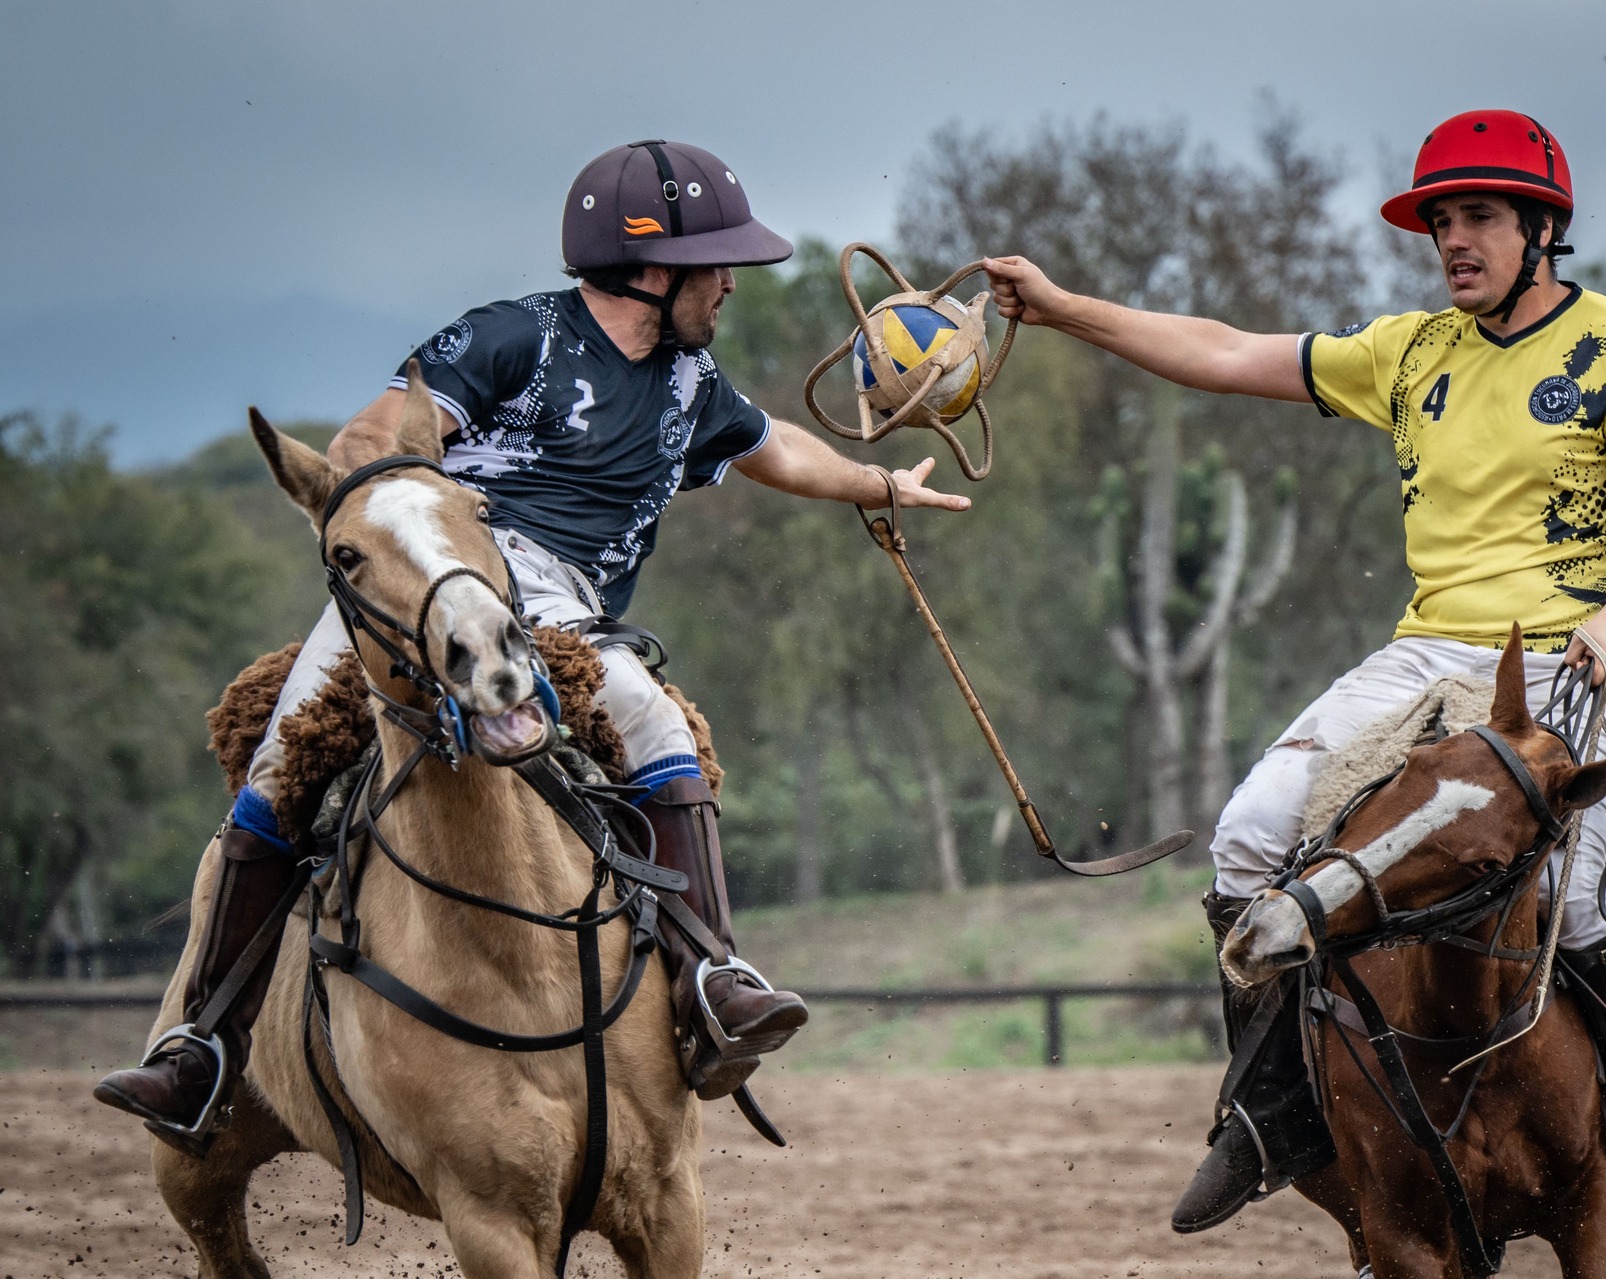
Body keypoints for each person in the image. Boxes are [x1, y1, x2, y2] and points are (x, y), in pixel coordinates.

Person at [97, 139, 968, 1149]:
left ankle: (710, 979)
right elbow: (370, 434)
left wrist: (883, 486)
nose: (730, 283)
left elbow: (775, 447)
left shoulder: (690, 382)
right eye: (717, 261)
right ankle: (199, 1047)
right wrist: (388, 498)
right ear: (652, 268)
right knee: (279, 759)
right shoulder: (512, 337)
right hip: (431, 578)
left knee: (645, 711)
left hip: (563, 612)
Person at [984, 111, 1606, 1274]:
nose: (1452, 240)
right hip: (1427, 658)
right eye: (1439, 220)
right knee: (1244, 840)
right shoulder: (1411, 351)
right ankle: (1266, 1108)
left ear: (1540, 229)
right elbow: (1223, 351)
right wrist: (1061, 305)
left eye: (1478, 216)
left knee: (1575, 905)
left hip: (1571, 655)